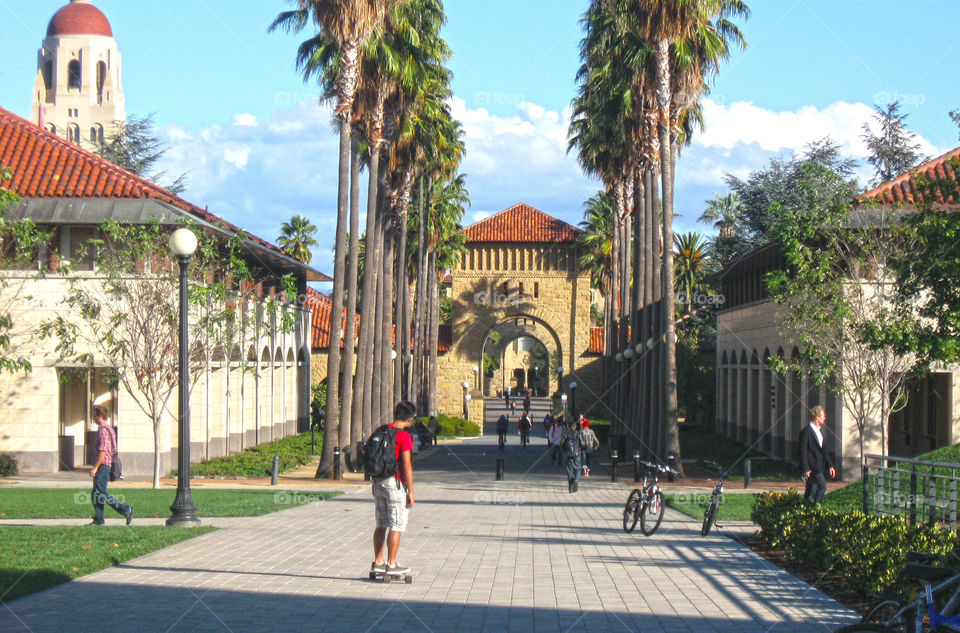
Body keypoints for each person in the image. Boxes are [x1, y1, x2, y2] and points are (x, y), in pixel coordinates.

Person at [372, 400, 417, 576]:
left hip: (378, 481)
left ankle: (378, 561)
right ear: (410, 419)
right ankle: (391, 564)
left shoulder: (381, 430)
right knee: (396, 524)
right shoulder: (403, 436)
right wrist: (411, 491)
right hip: (394, 482)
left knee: (381, 523)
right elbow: (406, 465)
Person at [89, 406, 133, 526]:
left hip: (103, 466)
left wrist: (95, 467)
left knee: (100, 492)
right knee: (96, 493)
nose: (94, 419)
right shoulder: (110, 429)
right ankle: (98, 520)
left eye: (95, 416)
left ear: (100, 416)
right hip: (107, 465)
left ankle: (125, 509)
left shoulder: (103, 430)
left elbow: (102, 451)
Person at [799, 405, 836, 504]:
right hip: (812, 466)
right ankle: (816, 506)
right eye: (822, 416)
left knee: (811, 489)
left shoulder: (819, 431)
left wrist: (830, 465)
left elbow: (824, 450)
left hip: (819, 464)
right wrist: (805, 468)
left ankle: (807, 509)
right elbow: (802, 450)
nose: (824, 418)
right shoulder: (806, 431)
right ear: (816, 417)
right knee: (822, 486)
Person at [562, 420, 584, 493]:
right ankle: (576, 481)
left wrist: (564, 451)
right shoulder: (578, 434)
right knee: (578, 469)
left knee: (569, 471)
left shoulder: (566, 433)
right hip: (577, 454)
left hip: (568, 454)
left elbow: (561, 443)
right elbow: (582, 444)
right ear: (575, 426)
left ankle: (571, 488)